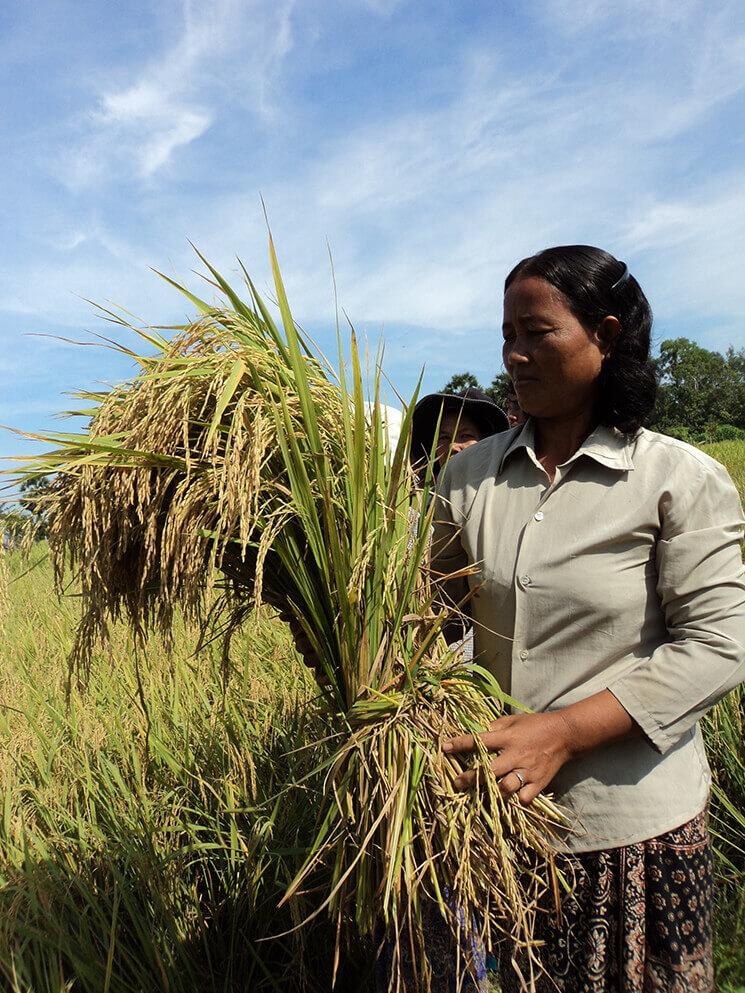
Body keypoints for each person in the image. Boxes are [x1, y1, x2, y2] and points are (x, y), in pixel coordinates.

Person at [433, 245, 745, 993]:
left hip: (631, 827)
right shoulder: (467, 475)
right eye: (505, 334)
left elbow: (719, 646)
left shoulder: (674, 477)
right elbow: (427, 614)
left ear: (603, 335)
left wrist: (564, 732)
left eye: (536, 332)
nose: (513, 354)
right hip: (505, 825)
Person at [410, 387, 508, 483]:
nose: (453, 446)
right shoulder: (427, 498)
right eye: (444, 437)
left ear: (488, 442)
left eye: (465, 436)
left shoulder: (502, 495)